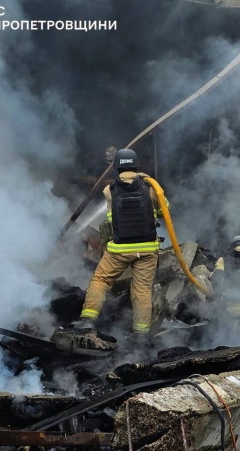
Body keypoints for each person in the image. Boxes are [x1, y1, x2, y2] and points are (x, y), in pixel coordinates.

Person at [73, 148, 167, 345]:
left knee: (100, 280)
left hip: (120, 249)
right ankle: (141, 334)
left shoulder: (110, 190)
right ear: (136, 166)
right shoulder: (152, 188)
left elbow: (111, 219)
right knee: (142, 290)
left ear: (116, 168)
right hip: (147, 250)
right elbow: (163, 211)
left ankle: (87, 321)